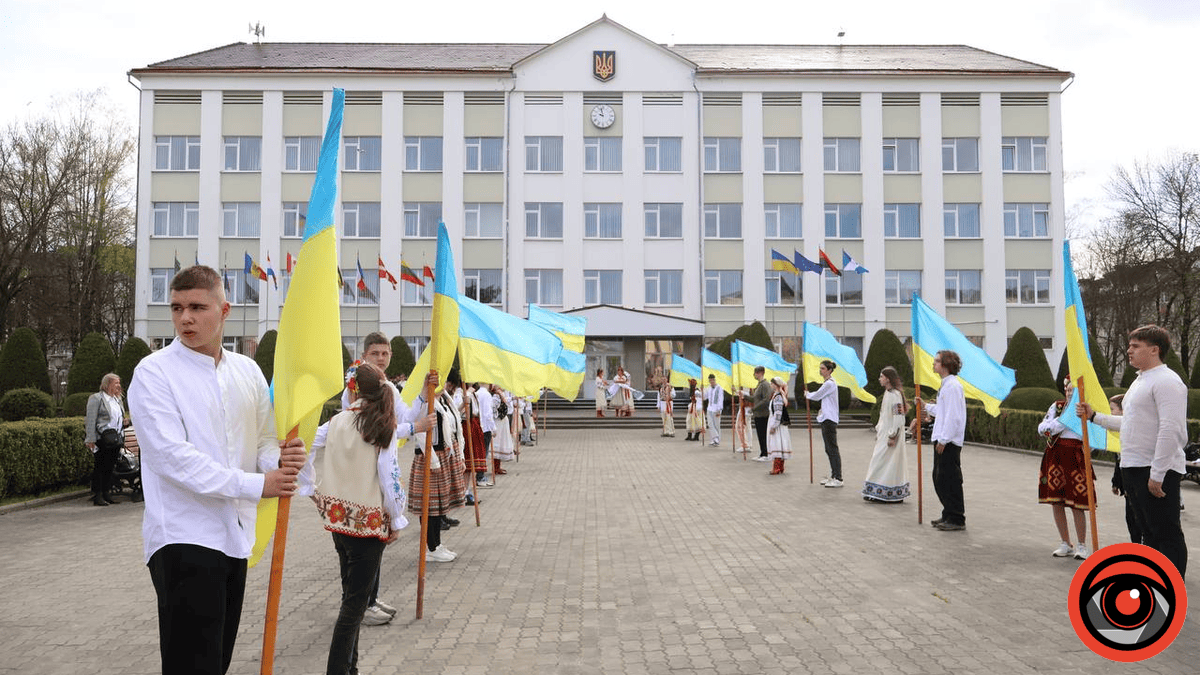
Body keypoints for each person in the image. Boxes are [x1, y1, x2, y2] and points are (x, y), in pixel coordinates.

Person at [128, 265, 308, 675]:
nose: (185, 318)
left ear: (224, 310)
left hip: (234, 536)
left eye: (196, 307)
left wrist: (278, 462)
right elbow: (173, 459)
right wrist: (259, 483)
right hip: (183, 537)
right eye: (176, 308)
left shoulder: (246, 370)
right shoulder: (154, 373)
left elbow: (262, 439)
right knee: (193, 664)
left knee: (217, 660)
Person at [313, 362, 422, 675]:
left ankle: (351, 667)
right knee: (354, 607)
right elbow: (390, 480)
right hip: (369, 526)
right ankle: (338, 669)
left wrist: (311, 487)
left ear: (354, 389)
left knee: (351, 600)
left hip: (338, 521)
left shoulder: (336, 421)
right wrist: (397, 518)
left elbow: (308, 444)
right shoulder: (379, 426)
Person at [1080, 325, 1188, 578]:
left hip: (1154, 469)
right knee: (1147, 533)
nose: (1129, 350)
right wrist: (1095, 417)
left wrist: (1158, 473)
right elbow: (1131, 423)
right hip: (1134, 467)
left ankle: (1171, 591)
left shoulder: (1167, 381)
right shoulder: (1141, 381)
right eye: (1129, 345)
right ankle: (1154, 586)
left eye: (1135, 346)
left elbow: (1171, 429)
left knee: (1166, 534)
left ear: (1154, 349)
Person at [408, 369, 468, 563]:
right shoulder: (426, 402)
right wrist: (433, 460)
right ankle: (430, 547)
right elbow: (418, 429)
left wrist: (458, 455)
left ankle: (437, 543)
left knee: (440, 504)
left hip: (445, 454)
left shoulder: (445, 399)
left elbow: (454, 426)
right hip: (430, 456)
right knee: (430, 505)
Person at [1037, 378, 1093, 560]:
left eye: (1073, 390)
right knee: (1057, 501)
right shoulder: (1058, 407)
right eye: (1067, 390)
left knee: (1078, 504)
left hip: (1076, 459)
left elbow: (1094, 436)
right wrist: (1062, 422)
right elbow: (1042, 428)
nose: (1069, 393)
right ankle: (1065, 542)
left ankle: (1082, 545)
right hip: (1055, 458)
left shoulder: (1085, 409)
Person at [913, 350, 967, 531]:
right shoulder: (946, 386)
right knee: (940, 478)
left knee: (949, 479)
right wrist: (926, 406)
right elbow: (943, 411)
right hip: (942, 438)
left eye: (937, 361)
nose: (933, 364)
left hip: (948, 441)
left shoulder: (952, 387)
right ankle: (948, 513)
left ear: (946, 365)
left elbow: (953, 416)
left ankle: (956, 517)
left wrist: (944, 439)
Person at [862, 366, 909, 503]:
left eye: (881, 376)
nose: (879, 379)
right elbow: (884, 416)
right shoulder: (888, 394)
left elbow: (898, 418)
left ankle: (888, 492)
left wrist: (892, 435)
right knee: (879, 461)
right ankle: (876, 490)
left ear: (888, 379)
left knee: (889, 462)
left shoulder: (895, 395)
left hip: (891, 436)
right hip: (884, 434)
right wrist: (880, 430)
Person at [85, 373, 125, 506]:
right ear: (107, 385)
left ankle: (107, 493)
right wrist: (90, 438)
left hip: (115, 438)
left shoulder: (117, 399)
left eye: (119, 383)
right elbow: (91, 419)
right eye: (115, 383)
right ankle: (98, 495)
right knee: (100, 467)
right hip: (102, 438)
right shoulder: (97, 398)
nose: (118, 386)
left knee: (109, 467)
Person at [806, 361, 843, 487]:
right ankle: (833, 475)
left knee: (832, 448)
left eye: (822, 368)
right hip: (826, 418)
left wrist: (808, 395)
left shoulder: (829, 384)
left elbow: (817, 395)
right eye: (820, 368)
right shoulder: (827, 384)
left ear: (829, 370)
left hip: (829, 419)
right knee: (829, 449)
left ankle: (838, 477)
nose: (820, 370)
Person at [766, 377, 792, 475]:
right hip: (777, 423)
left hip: (777, 425)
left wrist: (773, 426)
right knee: (779, 444)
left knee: (776, 444)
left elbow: (778, 413)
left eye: (772, 383)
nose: (770, 385)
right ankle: (780, 467)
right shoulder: (778, 395)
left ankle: (777, 468)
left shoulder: (778, 397)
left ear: (775, 384)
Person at [490, 385, 515, 474]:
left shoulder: (502, 394)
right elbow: (493, 409)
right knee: (497, 443)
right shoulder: (495, 397)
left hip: (503, 421)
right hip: (497, 421)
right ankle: (495, 467)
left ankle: (498, 466)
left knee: (502, 443)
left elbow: (508, 403)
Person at [475, 382, 495, 484]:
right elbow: (488, 413)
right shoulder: (486, 395)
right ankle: (480, 475)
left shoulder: (476, 393)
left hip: (478, 425)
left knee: (480, 451)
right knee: (484, 452)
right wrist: (493, 428)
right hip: (485, 426)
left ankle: (479, 474)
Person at [751, 366, 771, 461]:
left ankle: (766, 454)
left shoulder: (765, 384)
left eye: (756, 373)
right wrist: (744, 396)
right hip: (758, 414)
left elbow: (766, 400)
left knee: (763, 434)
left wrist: (754, 408)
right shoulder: (759, 384)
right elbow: (755, 398)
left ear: (761, 373)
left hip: (763, 414)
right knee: (760, 434)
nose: (755, 375)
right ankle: (762, 452)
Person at [705, 374, 724, 447]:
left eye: (712, 380)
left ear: (714, 380)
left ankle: (716, 440)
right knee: (710, 424)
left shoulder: (719, 388)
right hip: (709, 408)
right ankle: (714, 437)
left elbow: (720, 399)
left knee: (716, 425)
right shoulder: (708, 388)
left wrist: (719, 410)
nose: (711, 382)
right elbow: (705, 397)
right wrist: (701, 392)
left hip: (716, 409)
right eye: (710, 381)